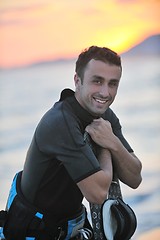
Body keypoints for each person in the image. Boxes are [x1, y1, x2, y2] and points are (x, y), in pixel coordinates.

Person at [0, 46, 142, 240]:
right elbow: (98, 193)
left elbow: (135, 177)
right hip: (32, 231)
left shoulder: (105, 117)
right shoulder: (61, 122)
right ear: (77, 81)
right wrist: (105, 147)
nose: (105, 92)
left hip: (72, 227)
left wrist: (112, 141)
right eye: (97, 81)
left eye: (112, 84)